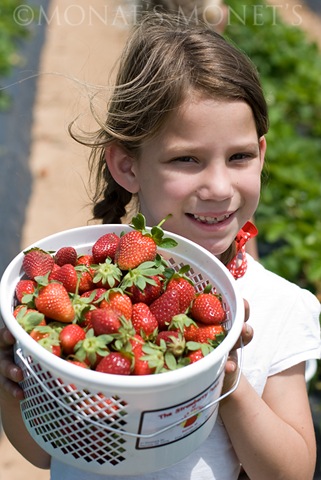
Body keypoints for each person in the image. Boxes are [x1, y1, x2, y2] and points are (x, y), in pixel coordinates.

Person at [0, 12, 320, 480]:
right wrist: (11, 388)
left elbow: (290, 472)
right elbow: (45, 451)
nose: (218, 186)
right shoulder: (82, 296)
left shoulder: (281, 309)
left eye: (239, 157)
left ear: (262, 153)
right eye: (186, 159)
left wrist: (224, 377)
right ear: (128, 167)